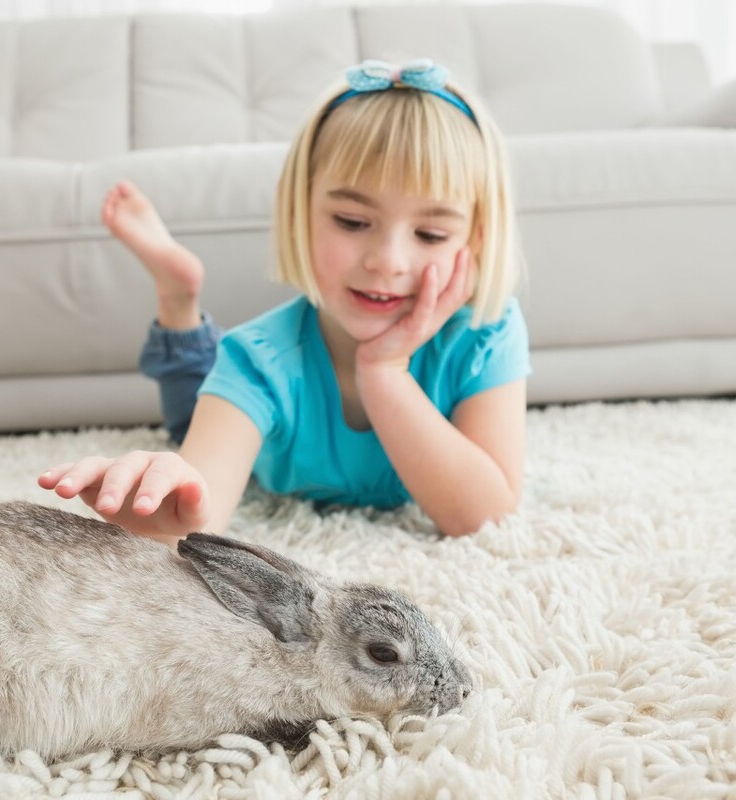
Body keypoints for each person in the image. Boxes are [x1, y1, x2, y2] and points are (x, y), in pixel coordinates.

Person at [39, 59, 529, 542]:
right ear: (298, 210)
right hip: (236, 377)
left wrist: (385, 371)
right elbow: (194, 513)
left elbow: (484, 517)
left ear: (476, 238)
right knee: (190, 403)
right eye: (353, 222)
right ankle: (179, 302)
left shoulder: (487, 331)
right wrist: (158, 514)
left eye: (430, 232)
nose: (388, 260)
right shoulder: (256, 360)